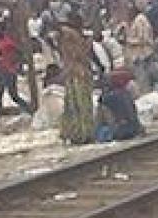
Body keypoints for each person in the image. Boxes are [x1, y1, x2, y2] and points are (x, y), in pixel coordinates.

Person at [56, 13, 95, 145]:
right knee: (81, 105)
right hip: (79, 73)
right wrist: (88, 44)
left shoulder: (65, 35)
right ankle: (83, 133)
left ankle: (72, 132)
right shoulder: (73, 36)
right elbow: (79, 54)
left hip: (70, 73)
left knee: (71, 105)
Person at [0, 19, 33, 124]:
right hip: (2, 71)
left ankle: (30, 110)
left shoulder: (7, 43)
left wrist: (17, 66)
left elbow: (19, 55)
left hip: (8, 71)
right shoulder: (0, 42)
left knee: (13, 95)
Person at [96, 68, 144, 142]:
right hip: (127, 130)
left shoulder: (106, 97)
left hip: (116, 132)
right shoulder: (124, 95)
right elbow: (132, 116)